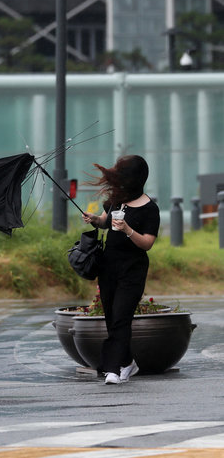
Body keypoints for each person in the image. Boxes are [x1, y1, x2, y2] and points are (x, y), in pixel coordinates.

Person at [82, 155, 160, 385]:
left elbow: (147, 243)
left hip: (133, 268)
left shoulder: (149, 209)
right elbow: (106, 222)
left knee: (121, 317)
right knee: (111, 317)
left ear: (136, 179)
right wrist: (95, 219)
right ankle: (127, 362)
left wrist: (127, 229)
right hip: (109, 265)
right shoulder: (117, 200)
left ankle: (112, 369)